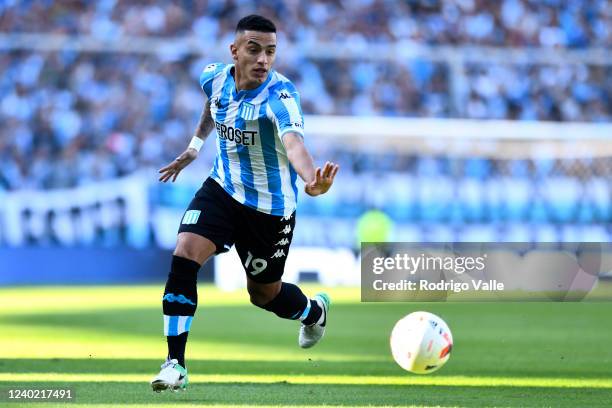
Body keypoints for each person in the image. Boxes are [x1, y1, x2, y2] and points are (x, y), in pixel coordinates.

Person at [150, 14, 339, 392]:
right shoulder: (213, 76)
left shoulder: (281, 97)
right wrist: (193, 148)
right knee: (185, 253)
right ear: (234, 52)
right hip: (223, 188)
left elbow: (294, 144)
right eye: (254, 50)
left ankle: (313, 312)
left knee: (263, 294)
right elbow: (212, 105)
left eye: (270, 52)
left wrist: (310, 179)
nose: (263, 60)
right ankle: (175, 364)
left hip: (269, 209)